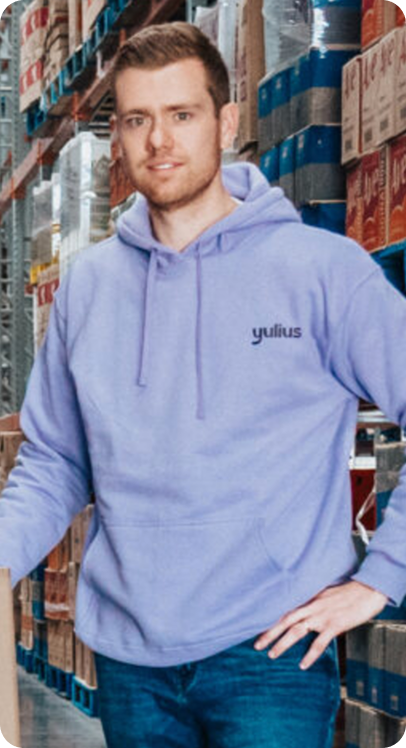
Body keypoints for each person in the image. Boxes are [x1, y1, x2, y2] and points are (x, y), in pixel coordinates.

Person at [0, 20, 405, 748]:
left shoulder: (322, 273)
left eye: (181, 114)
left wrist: (381, 578)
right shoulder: (88, 290)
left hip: (271, 653)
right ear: (120, 140)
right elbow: (56, 462)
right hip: (130, 665)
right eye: (137, 120)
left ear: (226, 122)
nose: (159, 140)